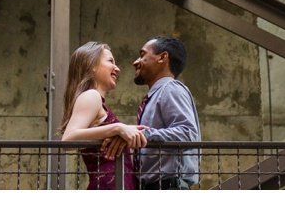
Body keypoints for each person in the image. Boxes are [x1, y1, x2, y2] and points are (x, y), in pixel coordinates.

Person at [60, 41, 147, 189]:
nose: (117, 68)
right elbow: (68, 139)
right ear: (91, 65)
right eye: (110, 61)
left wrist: (121, 130)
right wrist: (117, 128)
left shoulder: (96, 100)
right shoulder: (91, 96)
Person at [129, 36, 202, 189]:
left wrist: (142, 135)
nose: (135, 62)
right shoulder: (157, 95)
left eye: (142, 55)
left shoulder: (170, 89)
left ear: (163, 57)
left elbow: (187, 134)